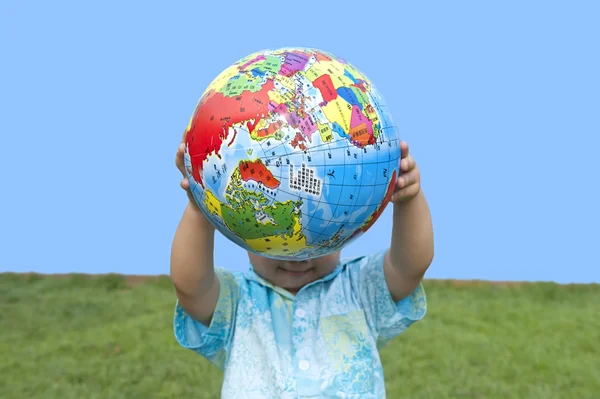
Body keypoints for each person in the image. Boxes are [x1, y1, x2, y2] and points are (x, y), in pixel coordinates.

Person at [170, 136, 434, 398]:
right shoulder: (237, 302)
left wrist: (409, 200)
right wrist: (199, 207)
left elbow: (409, 267)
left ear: (343, 228)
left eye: (316, 236)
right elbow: (191, 288)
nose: (297, 256)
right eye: (272, 235)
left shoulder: (359, 288)